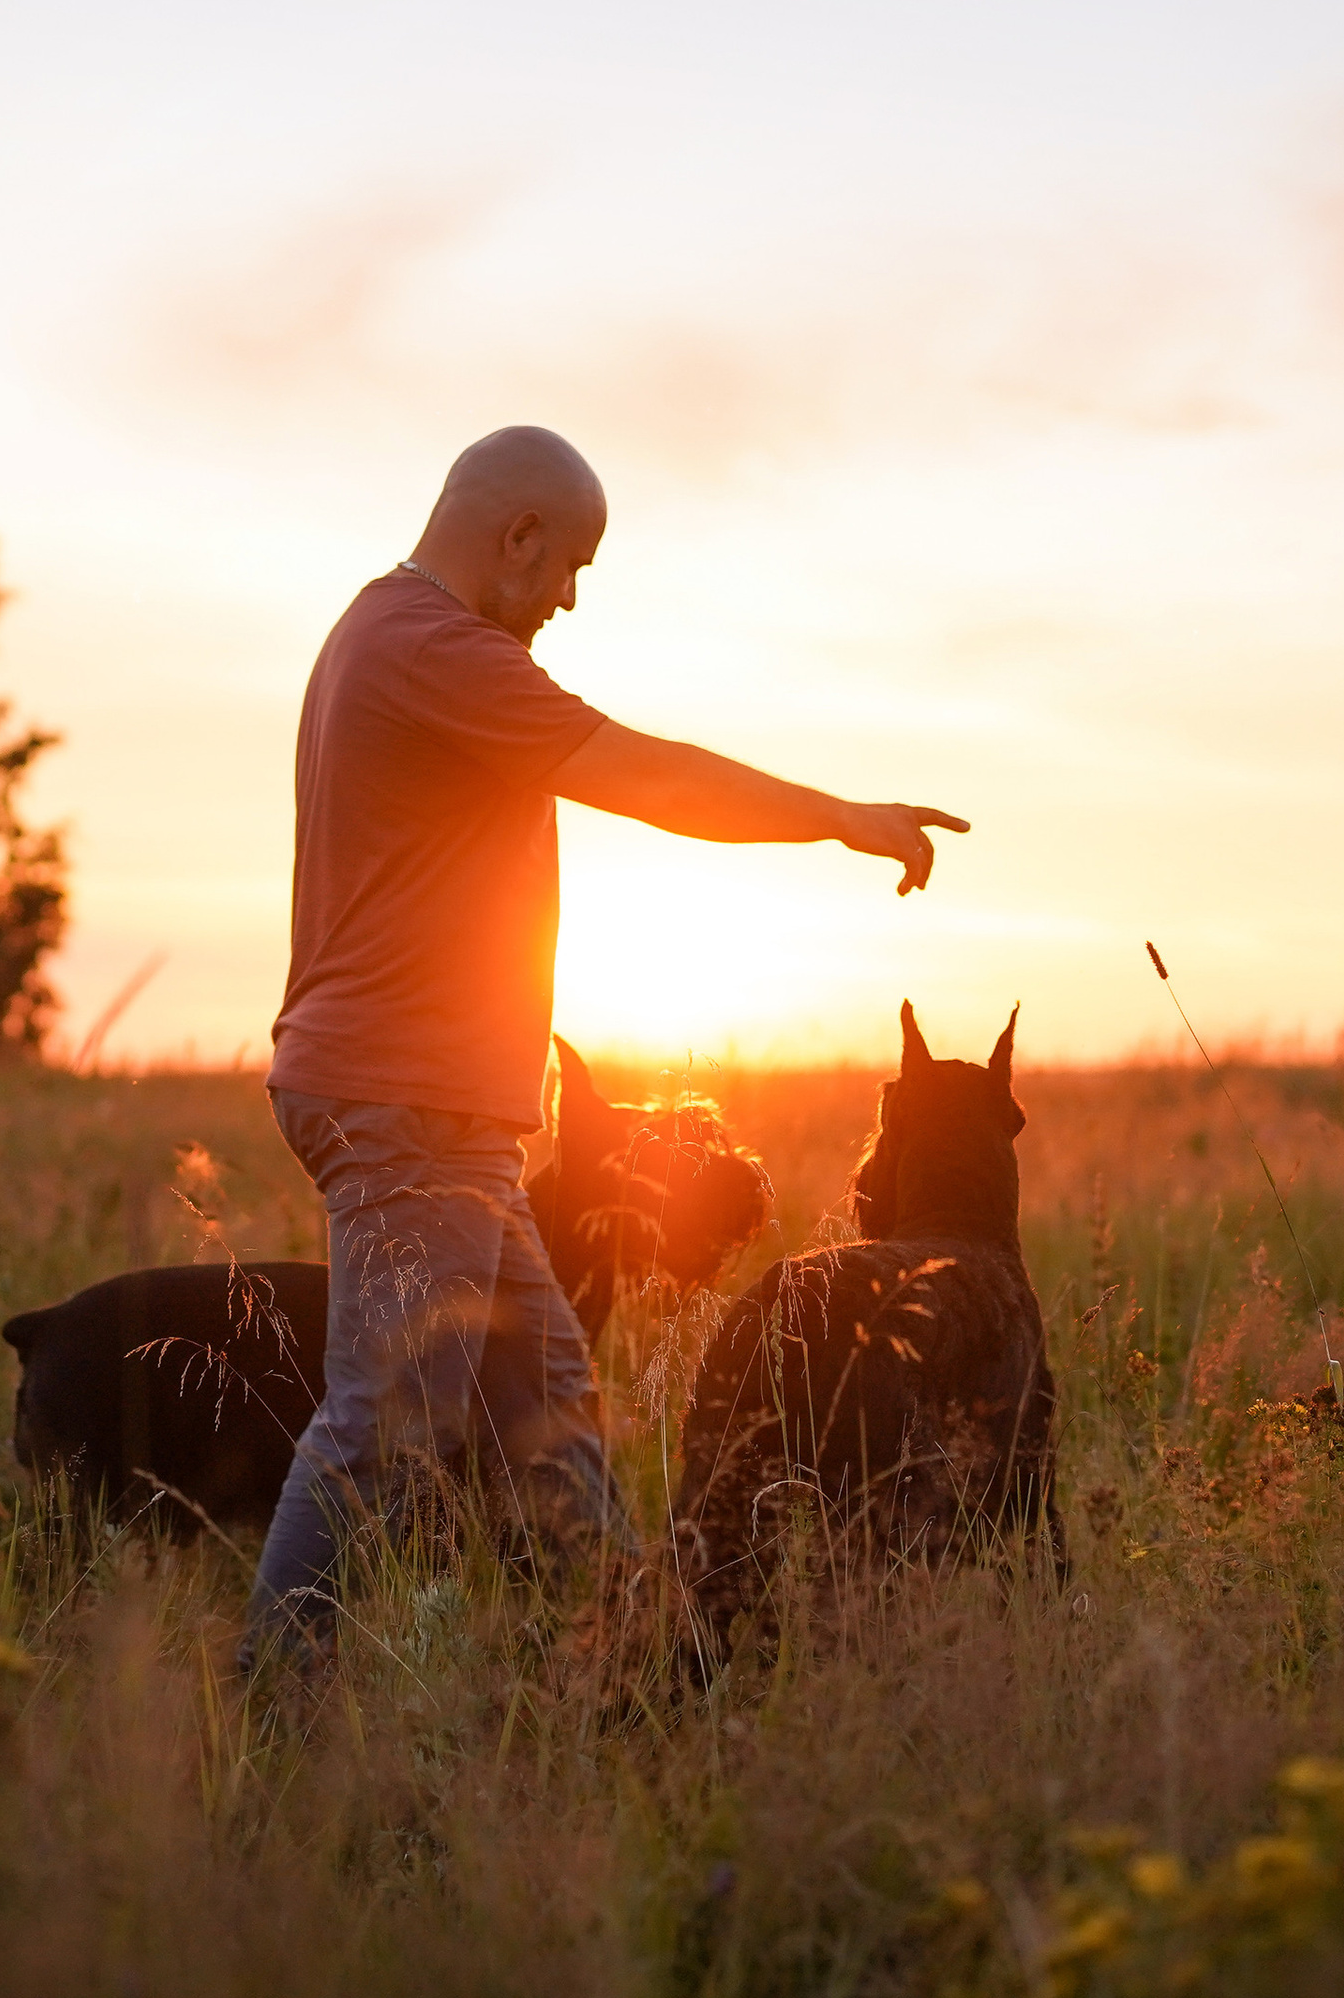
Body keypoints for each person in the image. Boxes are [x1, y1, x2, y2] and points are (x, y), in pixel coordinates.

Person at [243, 424, 966, 1664]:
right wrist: (841, 818)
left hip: (433, 1110)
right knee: (381, 1428)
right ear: (515, 536)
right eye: (568, 563)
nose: (570, 597)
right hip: (403, 1102)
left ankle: (624, 1673)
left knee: (550, 1412)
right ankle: (266, 1713)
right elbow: (654, 778)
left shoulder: (379, 632)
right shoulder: (438, 650)